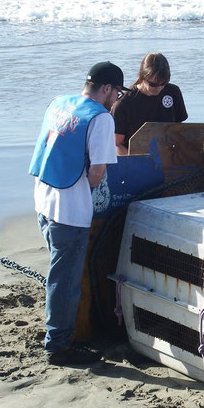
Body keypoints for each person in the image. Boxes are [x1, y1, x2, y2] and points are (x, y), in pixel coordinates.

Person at [28, 61, 128, 366]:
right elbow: (97, 173)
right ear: (107, 89)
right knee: (66, 281)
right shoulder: (100, 118)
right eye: (118, 93)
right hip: (69, 210)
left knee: (58, 274)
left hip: (43, 199)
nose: (118, 100)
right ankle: (57, 345)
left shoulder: (60, 103)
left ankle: (57, 334)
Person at [111, 52, 188, 155]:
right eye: (153, 85)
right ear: (143, 77)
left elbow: (178, 130)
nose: (159, 88)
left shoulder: (173, 92)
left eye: (163, 83)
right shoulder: (124, 104)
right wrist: (138, 163)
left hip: (167, 155)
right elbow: (116, 144)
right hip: (136, 158)